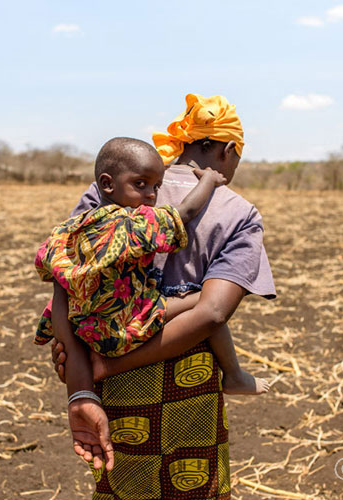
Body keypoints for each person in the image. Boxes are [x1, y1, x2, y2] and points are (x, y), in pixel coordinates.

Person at [51, 94, 276, 499]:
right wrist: (107, 366)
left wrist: (81, 387)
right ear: (228, 149)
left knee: (122, 485)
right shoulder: (239, 213)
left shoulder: (112, 188)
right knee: (195, 484)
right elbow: (212, 314)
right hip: (188, 380)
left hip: (109, 377)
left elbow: (68, 280)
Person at [35, 137, 269, 399]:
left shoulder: (69, 229)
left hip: (86, 331)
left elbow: (51, 273)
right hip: (125, 325)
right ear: (229, 150)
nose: (151, 195)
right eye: (141, 184)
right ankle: (234, 375)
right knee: (206, 302)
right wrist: (208, 180)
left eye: (156, 186)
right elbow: (185, 212)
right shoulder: (135, 222)